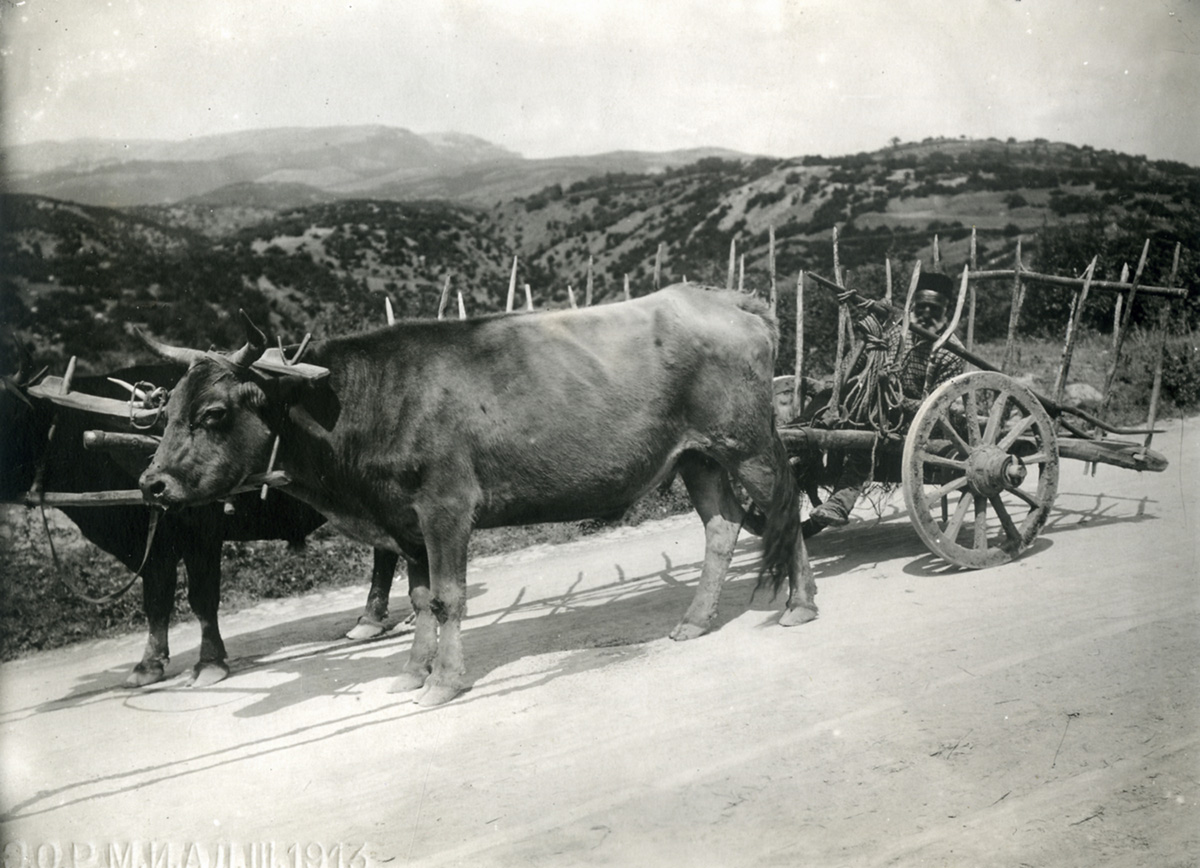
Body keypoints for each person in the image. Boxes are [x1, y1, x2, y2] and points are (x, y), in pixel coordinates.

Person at [806, 270, 965, 531]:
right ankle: (796, 460)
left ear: (946, 312)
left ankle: (841, 500)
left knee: (868, 431)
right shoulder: (895, 333)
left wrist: (897, 401)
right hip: (874, 404)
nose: (926, 314)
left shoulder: (950, 353)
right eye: (921, 306)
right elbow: (855, 364)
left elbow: (938, 408)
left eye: (934, 309)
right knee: (829, 398)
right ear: (912, 306)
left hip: (912, 422)